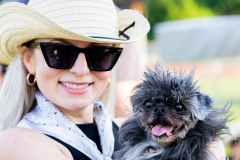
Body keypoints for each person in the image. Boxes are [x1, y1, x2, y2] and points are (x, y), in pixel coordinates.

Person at [0, 0, 150, 159]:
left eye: (100, 53)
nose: (81, 70)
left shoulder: (125, 132)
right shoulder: (18, 144)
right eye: (59, 52)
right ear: (28, 59)